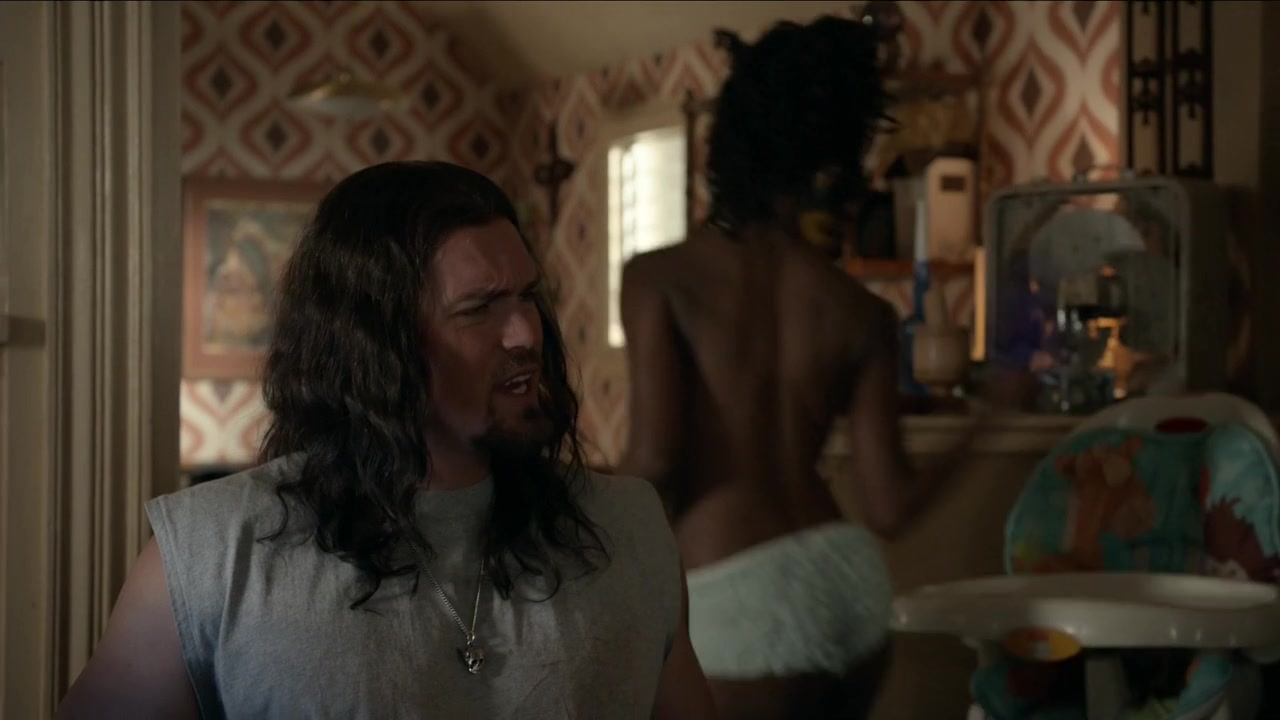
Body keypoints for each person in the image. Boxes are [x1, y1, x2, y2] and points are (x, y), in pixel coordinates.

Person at [58, 161, 716, 719]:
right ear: (376, 344)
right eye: (479, 308)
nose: (525, 333)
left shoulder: (629, 529)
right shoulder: (212, 553)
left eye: (527, 298)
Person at [617, 17, 1022, 720]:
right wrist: (989, 418)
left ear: (731, 144)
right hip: (847, 583)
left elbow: (656, 460)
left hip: (733, 595)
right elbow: (889, 506)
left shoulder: (660, 279)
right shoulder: (860, 310)